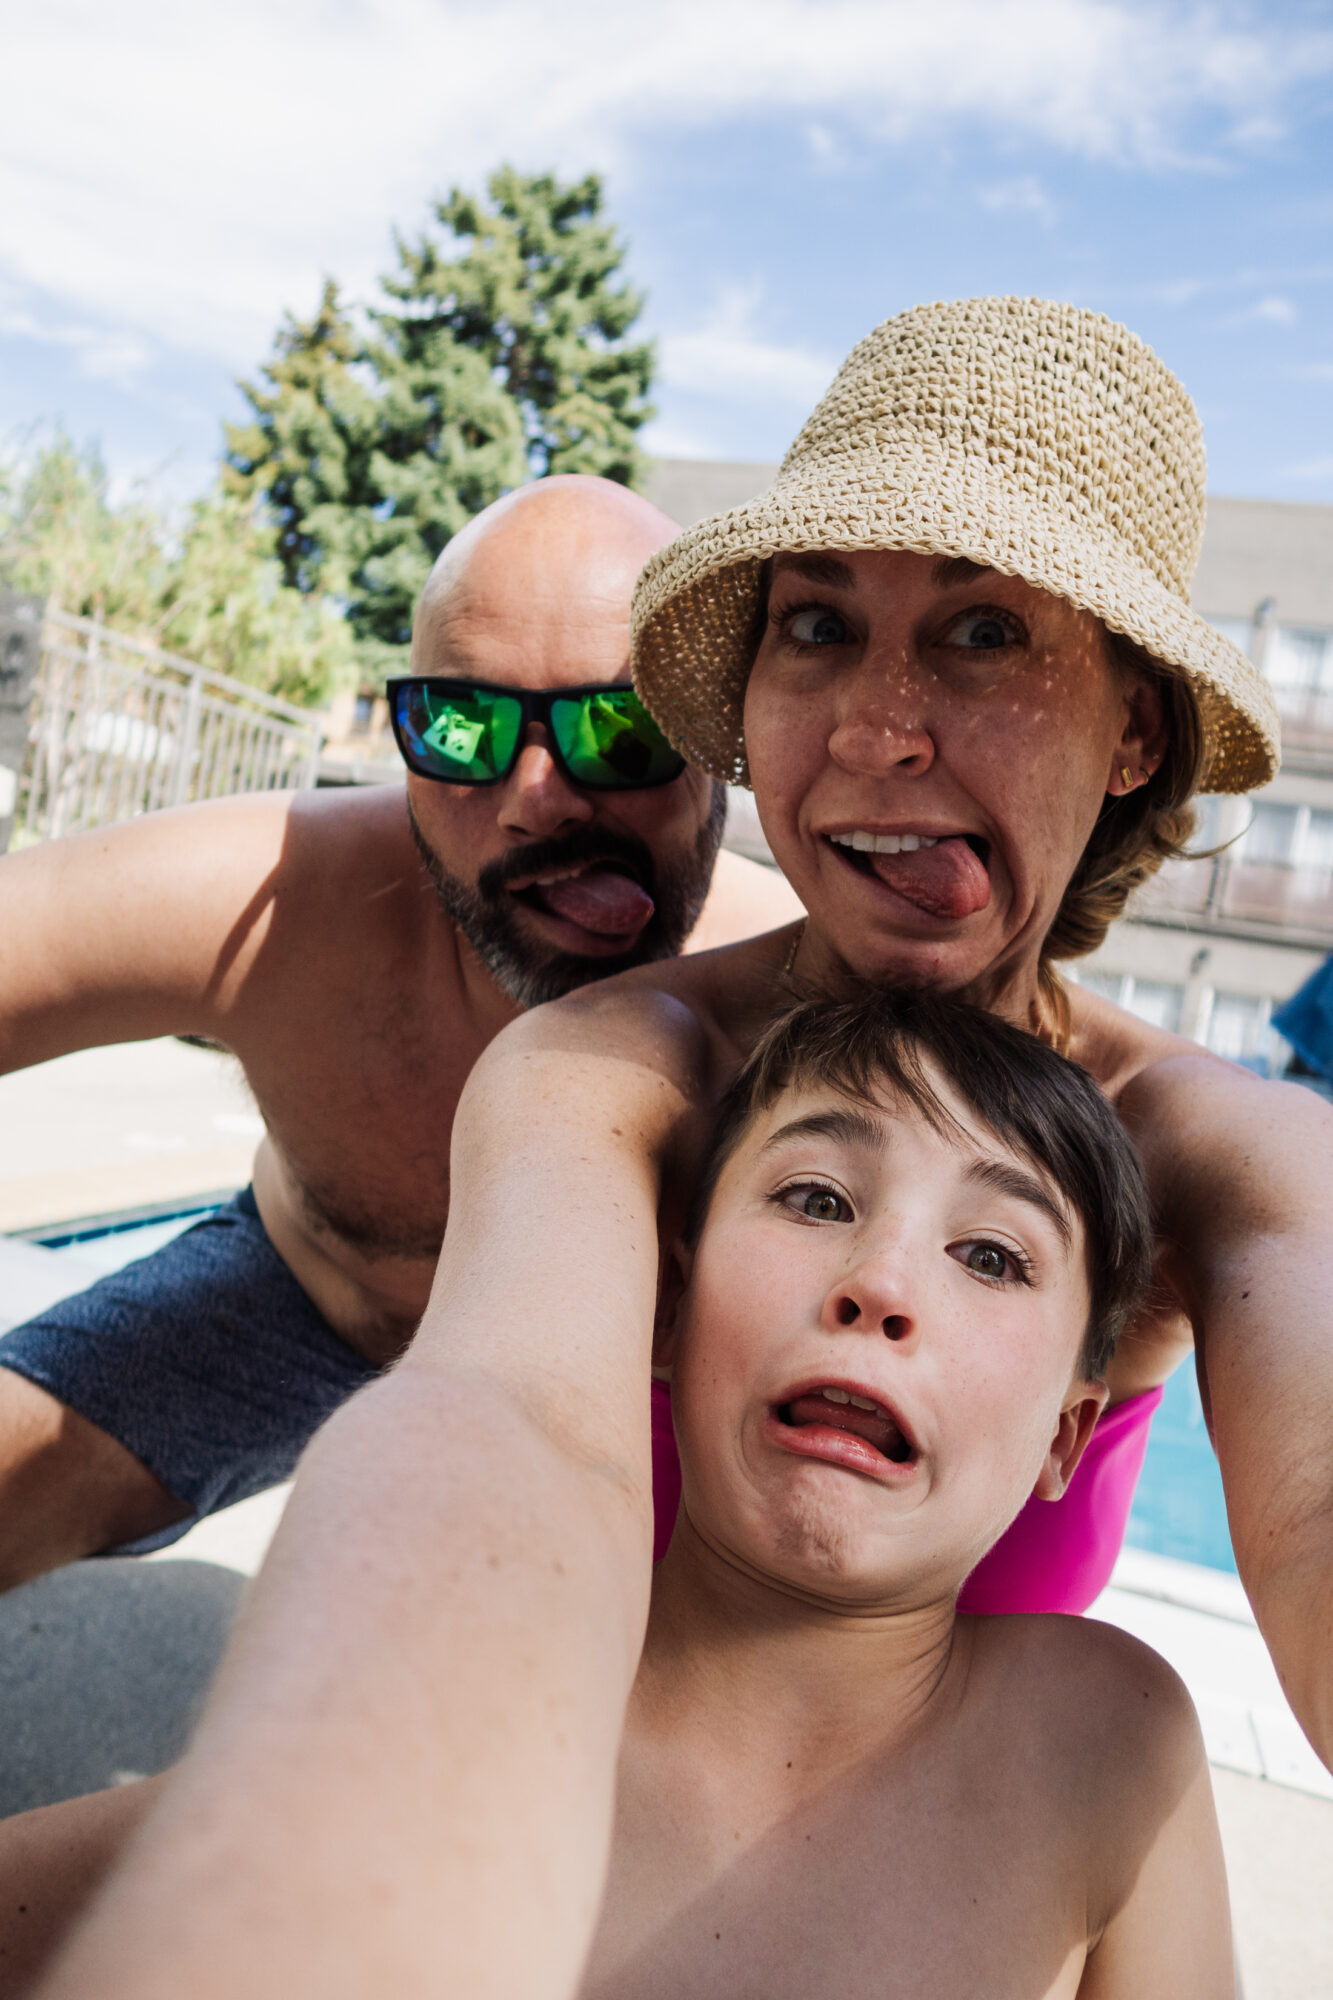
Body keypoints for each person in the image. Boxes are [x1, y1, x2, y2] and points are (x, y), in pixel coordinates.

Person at [30, 298, 1325, 2000]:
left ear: (1137, 729)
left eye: (984, 632)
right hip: (517, 1786)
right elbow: (511, 1432)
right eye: (814, 627)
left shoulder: (1204, 1152)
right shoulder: (617, 1058)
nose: (873, 727)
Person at [1, 991, 1231, 1997]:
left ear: (1068, 1434)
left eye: (990, 1255)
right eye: (816, 1197)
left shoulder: (1109, 1743)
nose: (882, 1280)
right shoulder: (470, 1723)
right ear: (664, 1310)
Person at [0, 473, 801, 1585]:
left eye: (618, 730)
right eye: (461, 725)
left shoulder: (800, 996)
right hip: (300, 1304)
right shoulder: (280, 898)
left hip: (623, 1395)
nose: (537, 795)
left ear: (716, 747)